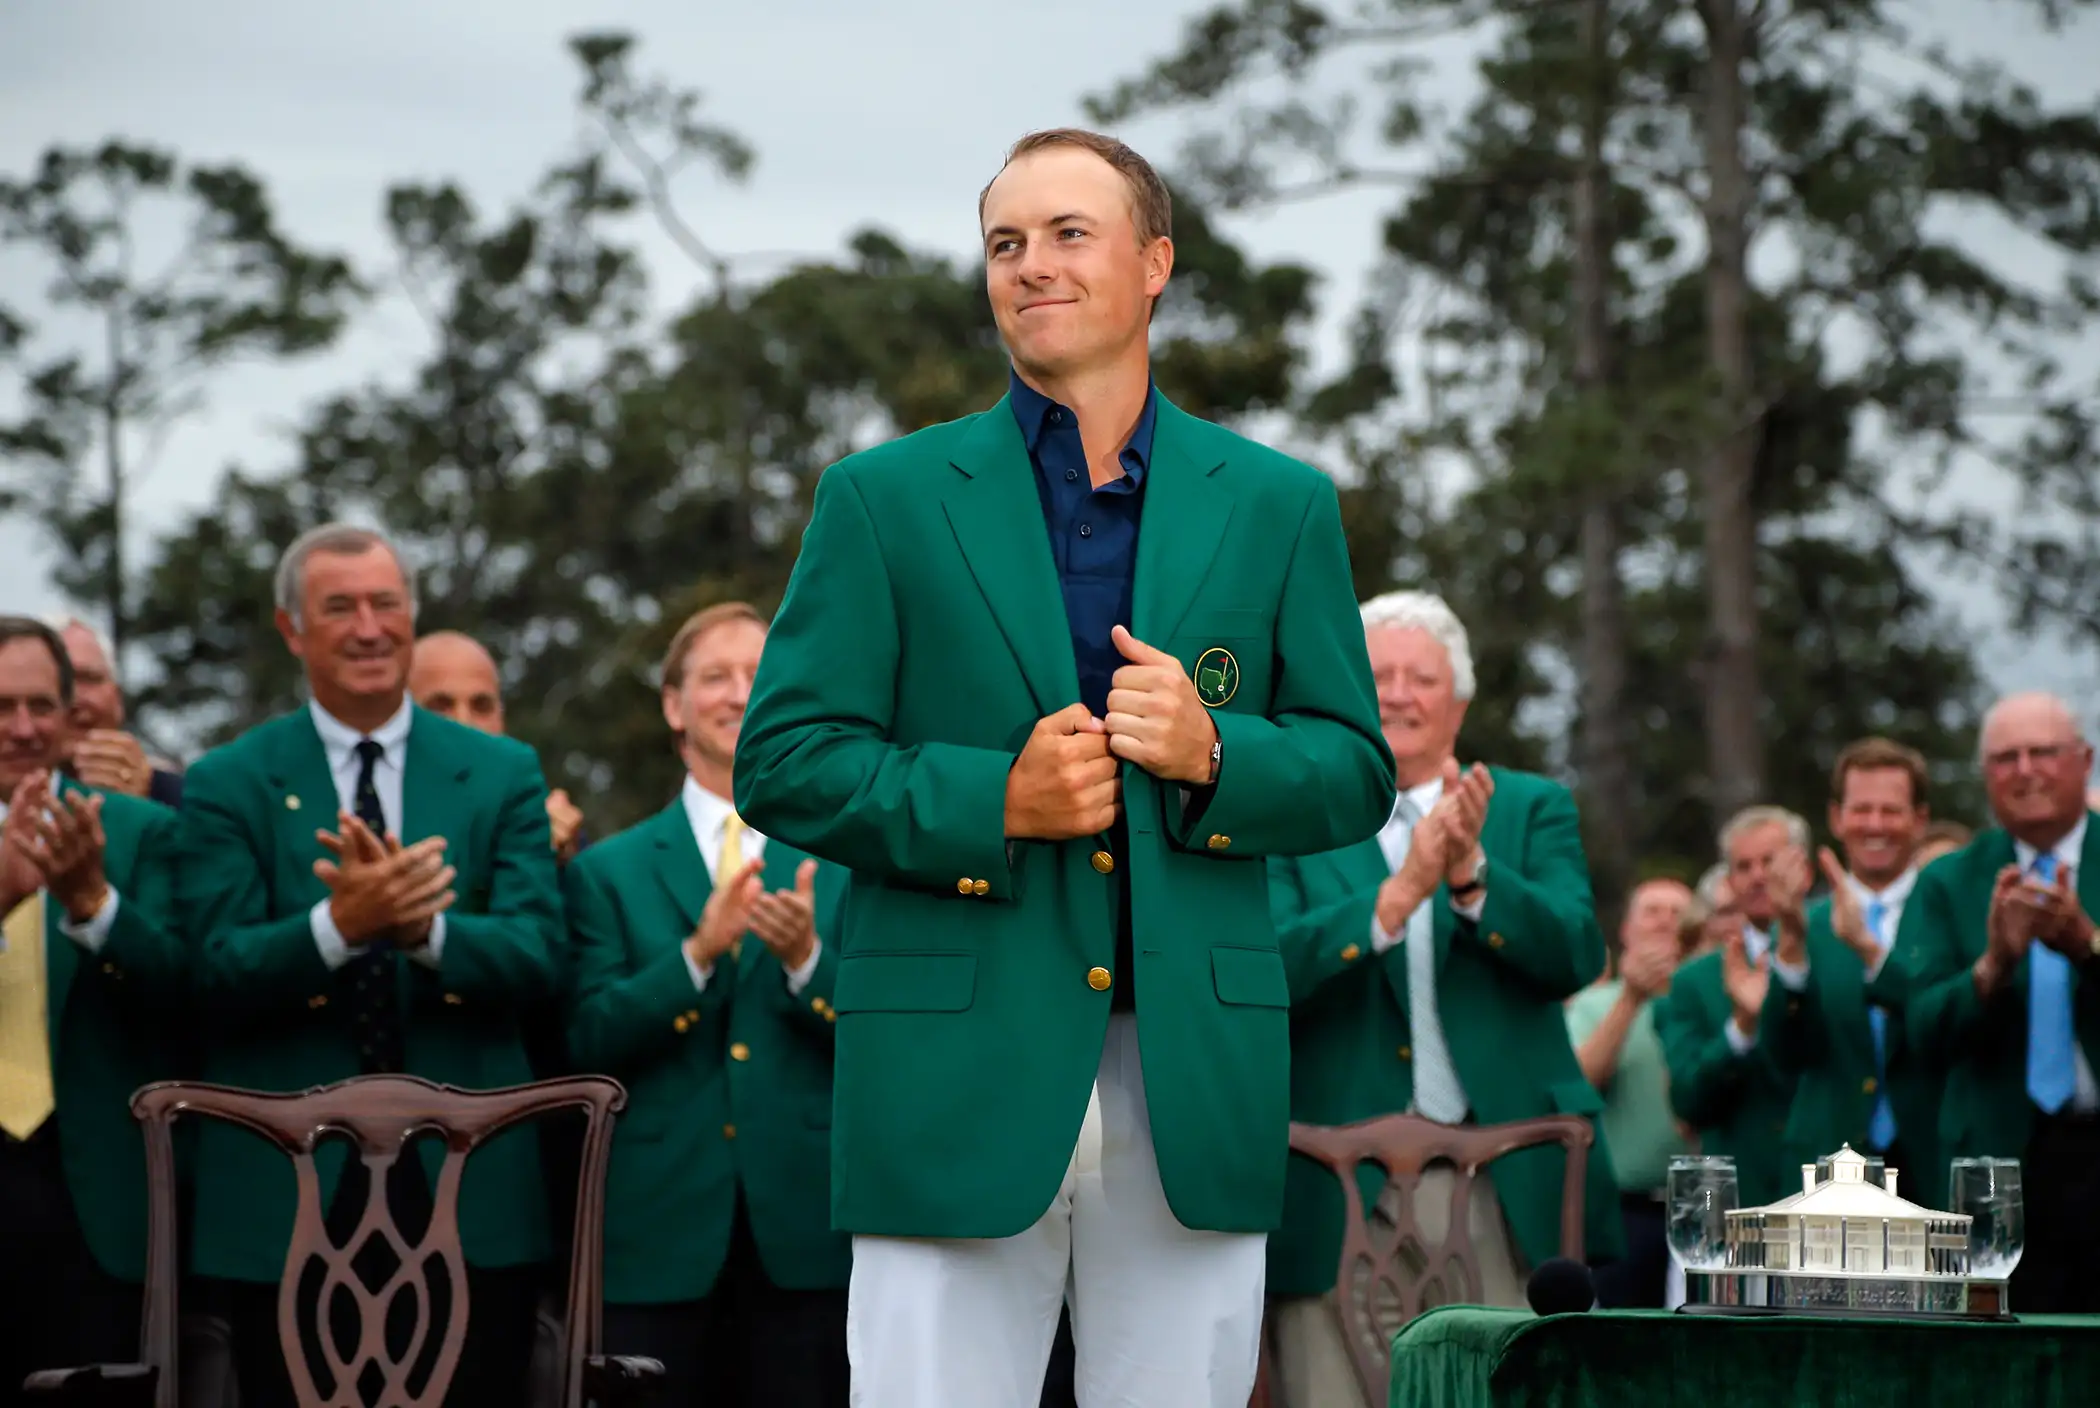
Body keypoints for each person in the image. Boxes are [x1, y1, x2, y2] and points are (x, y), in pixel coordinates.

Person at [731, 128, 1394, 1408]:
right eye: (1004, 242)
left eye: (1067, 234)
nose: (1030, 264)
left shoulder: (1280, 503)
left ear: (1155, 263)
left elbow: (1353, 769)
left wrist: (1213, 755)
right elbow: (785, 761)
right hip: (949, 1066)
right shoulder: (882, 498)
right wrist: (997, 801)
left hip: (1192, 1071)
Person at [176, 524, 562, 1404]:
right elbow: (208, 969)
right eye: (339, 607)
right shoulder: (231, 779)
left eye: (386, 603)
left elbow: (541, 954)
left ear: (412, 618)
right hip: (287, 1191)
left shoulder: (501, 772)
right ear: (291, 628)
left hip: (468, 1190)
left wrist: (425, 932)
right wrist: (337, 927)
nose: (368, 627)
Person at [1263, 591, 1617, 1403]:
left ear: (1459, 701)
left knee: (1501, 1391)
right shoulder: (1292, 809)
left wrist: (1469, 876)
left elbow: (1576, 954)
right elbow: (1265, 970)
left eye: (1421, 678)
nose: (1397, 694)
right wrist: (1395, 897)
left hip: (1503, 1178)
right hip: (1331, 1184)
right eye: (1377, 674)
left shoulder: (1530, 807)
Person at [566, 602, 851, 1407]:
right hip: (656, 1238)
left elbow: (886, 1037)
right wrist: (696, 956)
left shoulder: (845, 857)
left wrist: (805, 963)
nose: (736, 694)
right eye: (714, 677)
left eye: (757, 676)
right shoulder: (607, 871)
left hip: (809, 1233)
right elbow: (585, 1036)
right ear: (672, 704)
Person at [0, 616, 186, 1404]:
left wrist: (93, 904)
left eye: (43, 705)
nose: (23, 727)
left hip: (95, 1204)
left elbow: (190, 993)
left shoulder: (143, 832)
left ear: (76, 715)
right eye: (1, 706)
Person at [1893, 692, 2100, 1311]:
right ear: (1986, 776)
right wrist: (1992, 967)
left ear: (2083, 761)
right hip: (1997, 1170)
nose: (2026, 770)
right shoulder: (1949, 880)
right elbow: (1920, 1030)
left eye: (2043, 752)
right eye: (2006, 758)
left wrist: (2086, 946)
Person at [1761, 739, 1940, 1202]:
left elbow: (1951, 1018)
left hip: (1931, 1164)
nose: (1875, 825)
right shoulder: (1808, 923)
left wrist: (1867, 949)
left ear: (1919, 820)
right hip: (1828, 1169)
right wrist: (1793, 947)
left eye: (1890, 810)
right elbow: (1783, 1056)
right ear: (1837, 818)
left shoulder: (1947, 910)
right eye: (1861, 810)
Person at [1653, 806, 1809, 1207]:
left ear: (1801, 867)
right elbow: (1687, 1100)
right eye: (1744, 866)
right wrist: (1741, 1027)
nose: (1758, 875)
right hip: (1740, 1201)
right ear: (1730, 882)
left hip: (1833, 1193)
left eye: (1770, 861)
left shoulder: (1841, 948)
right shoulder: (1695, 980)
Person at [1566, 876, 1695, 1308]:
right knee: (1623, 1339)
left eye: (1677, 911)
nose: (1665, 921)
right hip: (1627, 1210)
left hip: (1705, 1201)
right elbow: (1581, 1085)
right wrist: (1632, 998)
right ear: (1625, 930)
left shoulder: (1711, 998)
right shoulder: (1593, 1004)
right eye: (1652, 910)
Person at [408, 630, 586, 862]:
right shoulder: (370, 820)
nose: (464, 723)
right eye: (440, 707)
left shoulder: (537, 819)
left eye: (481, 706)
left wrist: (563, 859)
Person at [44, 614, 184, 808]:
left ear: (117, 698)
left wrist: (140, 810)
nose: (75, 699)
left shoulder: (185, 802)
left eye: (89, 678)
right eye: (61, 681)